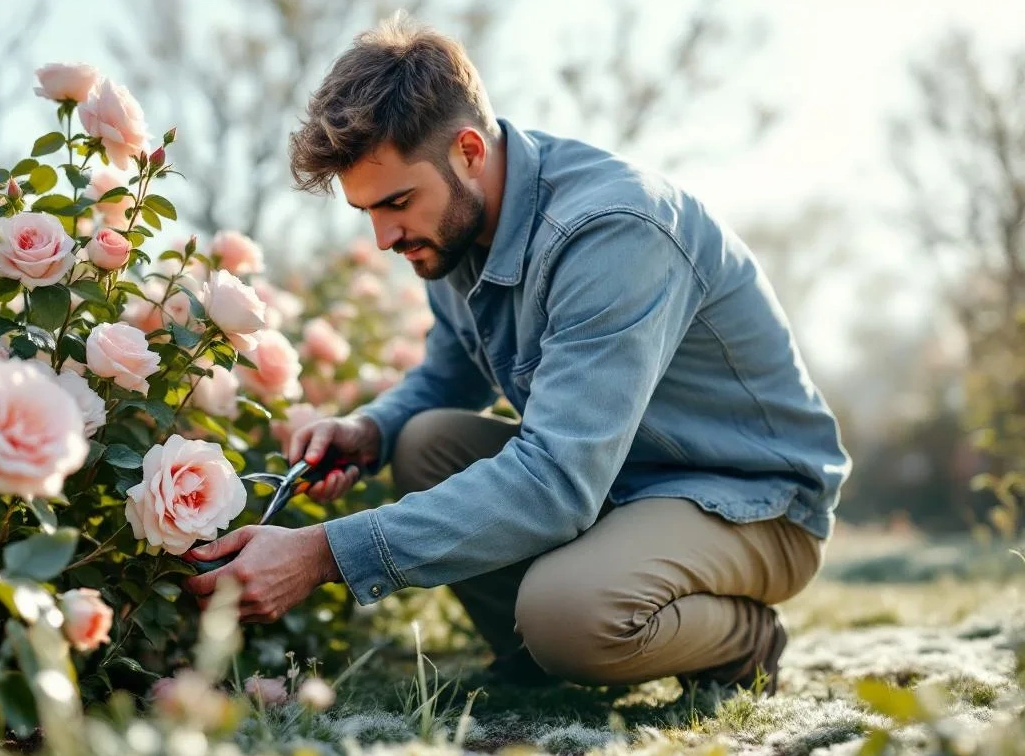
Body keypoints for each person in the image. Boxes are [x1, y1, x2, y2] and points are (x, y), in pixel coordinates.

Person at [183, 12, 851, 694]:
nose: (385, 237)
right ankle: (556, 659)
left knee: (569, 614)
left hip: (748, 501)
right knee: (423, 442)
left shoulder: (611, 233)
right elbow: (449, 374)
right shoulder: (455, 231)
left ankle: (738, 644)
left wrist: (324, 554)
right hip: (619, 489)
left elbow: (558, 483)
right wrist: (369, 431)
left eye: (398, 202)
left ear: (469, 150)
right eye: (368, 214)